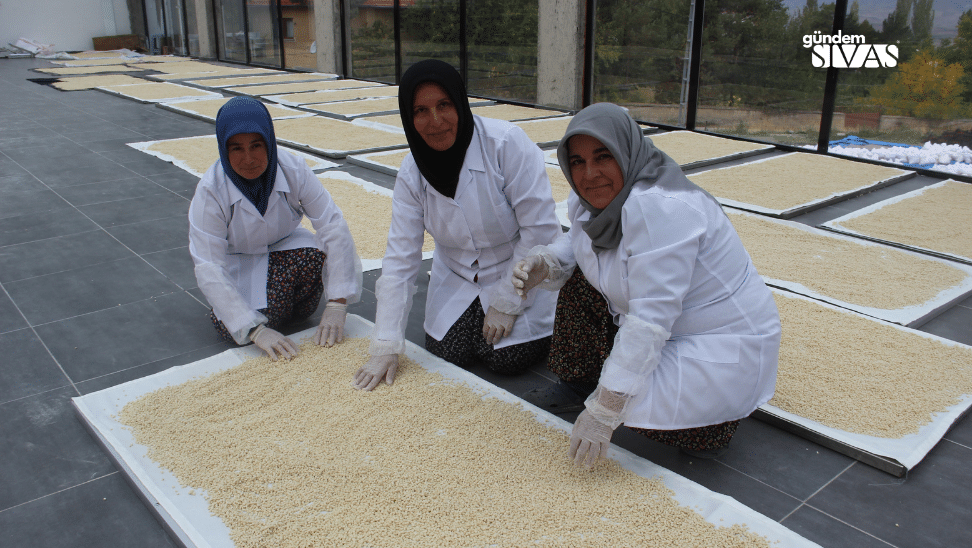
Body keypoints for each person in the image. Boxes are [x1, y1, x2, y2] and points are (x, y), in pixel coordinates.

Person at [512, 103, 781, 467]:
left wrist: (605, 410)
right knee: (576, 278)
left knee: (636, 413)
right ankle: (577, 382)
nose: (589, 174)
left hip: (718, 337)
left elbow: (651, 317)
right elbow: (577, 242)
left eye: (602, 156)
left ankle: (717, 424)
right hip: (671, 321)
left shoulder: (661, 209)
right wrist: (545, 264)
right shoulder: (591, 199)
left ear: (627, 151)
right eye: (577, 161)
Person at [352, 59, 561, 390]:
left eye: (444, 105)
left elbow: (540, 230)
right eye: (421, 110)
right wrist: (385, 344)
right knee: (449, 352)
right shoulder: (412, 172)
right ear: (408, 116)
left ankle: (550, 322)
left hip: (520, 266)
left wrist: (508, 299)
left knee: (503, 358)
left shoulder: (506, 145)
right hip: (458, 272)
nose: (435, 121)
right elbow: (400, 258)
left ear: (460, 102)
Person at [189, 96, 362, 360]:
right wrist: (255, 330)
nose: (248, 159)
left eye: (256, 145)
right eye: (236, 148)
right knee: (236, 328)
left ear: (269, 141)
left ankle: (287, 308)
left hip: (284, 245)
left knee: (316, 256)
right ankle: (265, 317)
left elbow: (332, 225)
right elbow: (208, 265)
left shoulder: (293, 170)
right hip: (238, 258)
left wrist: (338, 301)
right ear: (224, 149)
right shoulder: (211, 191)